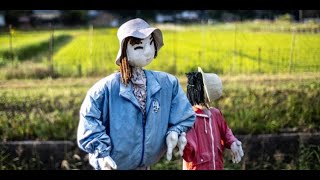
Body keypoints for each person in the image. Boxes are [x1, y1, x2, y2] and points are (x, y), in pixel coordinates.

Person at [77, 18, 196, 170]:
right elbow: (89, 120)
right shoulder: (105, 89)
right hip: (113, 165)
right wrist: (103, 154)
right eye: (139, 47)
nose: (147, 52)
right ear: (124, 51)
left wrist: (175, 131)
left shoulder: (167, 83)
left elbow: (184, 115)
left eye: (151, 44)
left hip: (146, 165)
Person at [182, 67, 244, 170]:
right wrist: (183, 142)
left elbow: (226, 131)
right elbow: (188, 150)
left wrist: (232, 142)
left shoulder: (215, 114)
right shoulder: (190, 117)